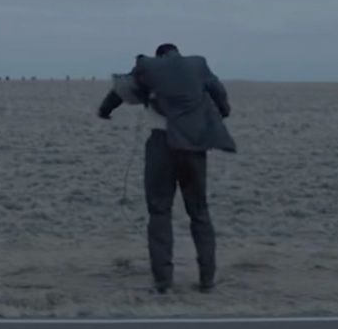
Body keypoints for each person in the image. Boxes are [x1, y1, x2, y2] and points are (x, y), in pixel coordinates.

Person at [97, 43, 235, 294]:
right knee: (199, 212)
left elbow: (120, 91)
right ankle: (207, 279)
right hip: (194, 146)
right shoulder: (198, 66)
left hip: (161, 146)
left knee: (159, 211)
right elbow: (219, 93)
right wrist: (223, 112)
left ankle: (163, 281)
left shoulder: (149, 69)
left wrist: (105, 111)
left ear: (159, 56)